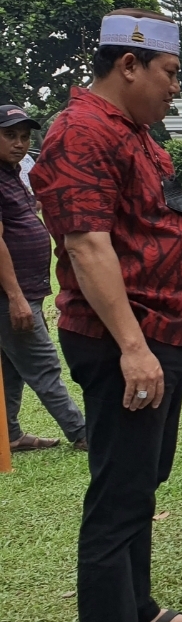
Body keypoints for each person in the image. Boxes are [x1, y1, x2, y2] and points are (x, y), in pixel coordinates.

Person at [31, 9, 182, 622]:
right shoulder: (79, 133)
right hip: (121, 339)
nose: (174, 90)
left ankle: (136, 608)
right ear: (127, 64)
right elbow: (87, 245)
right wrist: (134, 347)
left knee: (144, 476)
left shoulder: (133, 134)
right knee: (119, 492)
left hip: (161, 330)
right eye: (169, 74)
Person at [0, 106, 86, 452]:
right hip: (10, 293)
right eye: (10, 135)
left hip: (24, 290)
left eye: (24, 136)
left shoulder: (11, 174)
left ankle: (9, 434)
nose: (20, 144)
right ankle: (82, 432)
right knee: (43, 364)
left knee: (12, 365)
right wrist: (16, 297)